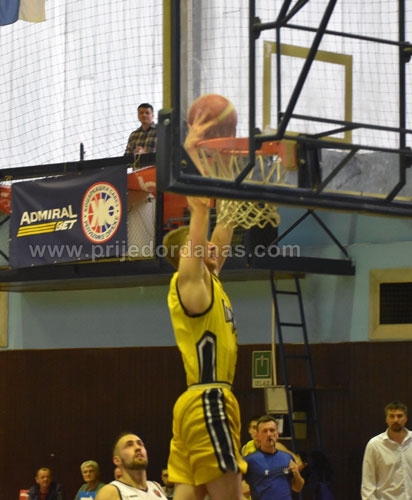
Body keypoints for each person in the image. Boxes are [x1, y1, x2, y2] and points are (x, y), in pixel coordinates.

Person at [163, 113, 245, 500]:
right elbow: (201, 224)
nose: (209, 244)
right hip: (209, 399)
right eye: (198, 245)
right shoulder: (189, 284)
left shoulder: (211, 282)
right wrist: (192, 160)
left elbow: (225, 224)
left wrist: (223, 166)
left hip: (195, 404)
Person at [361, 401, 412, 500]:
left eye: (399, 416)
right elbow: (368, 484)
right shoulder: (375, 445)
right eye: (392, 416)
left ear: (406, 418)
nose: (396, 420)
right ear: (386, 419)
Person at [244, 415, 304, 500]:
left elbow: (298, 488)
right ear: (258, 435)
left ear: (277, 434)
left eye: (272, 430)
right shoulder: (250, 458)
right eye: (265, 431)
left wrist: (296, 474)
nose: (269, 434)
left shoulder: (287, 457)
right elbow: (235, 485)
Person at [96, 432, 167, 500]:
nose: (138, 448)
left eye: (140, 444)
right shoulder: (110, 492)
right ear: (117, 460)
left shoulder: (156, 486)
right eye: (129, 445)